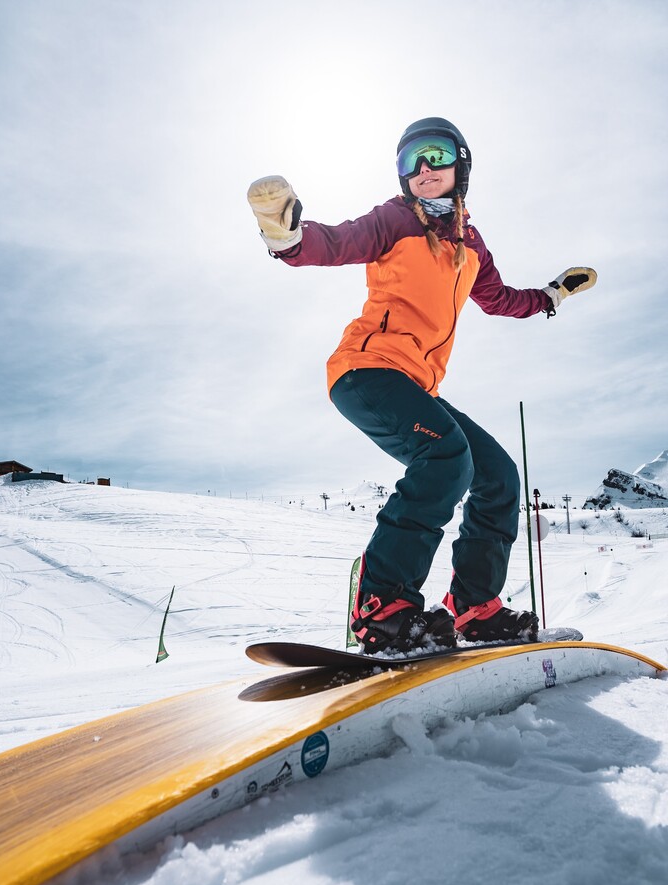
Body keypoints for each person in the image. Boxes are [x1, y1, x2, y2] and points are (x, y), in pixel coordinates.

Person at [247, 117, 596, 655]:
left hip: (415, 382)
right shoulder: (395, 219)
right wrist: (287, 237)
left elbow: (499, 299)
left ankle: (474, 609)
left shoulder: (469, 242)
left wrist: (551, 296)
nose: (424, 170)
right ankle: (382, 606)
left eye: (434, 155)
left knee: (498, 477)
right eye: (411, 161)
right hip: (366, 370)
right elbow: (338, 241)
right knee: (444, 456)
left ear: (461, 163)